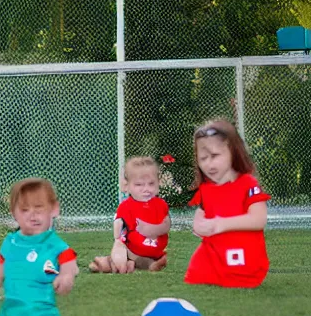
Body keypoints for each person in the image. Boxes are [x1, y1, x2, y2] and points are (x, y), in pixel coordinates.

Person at [0, 178, 101, 316]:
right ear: (13, 213)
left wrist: (65, 278)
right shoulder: (10, 243)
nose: (32, 214)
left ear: (54, 209)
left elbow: (70, 267)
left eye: (39, 208)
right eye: (24, 209)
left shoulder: (54, 245)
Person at [184, 119, 271, 288]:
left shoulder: (248, 184)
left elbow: (259, 219)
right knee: (196, 278)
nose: (208, 164)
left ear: (233, 151)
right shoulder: (206, 189)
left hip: (242, 256)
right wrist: (200, 227)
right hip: (212, 257)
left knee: (236, 281)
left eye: (215, 156)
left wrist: (220, 224)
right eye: (203, 158)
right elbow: (200, 218)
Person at [89, 156, 170, 274]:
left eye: (151, 184)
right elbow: (119, 235)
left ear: (158, 183)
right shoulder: (126, 207)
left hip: (151, 250)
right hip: (135, 250)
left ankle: (110, 263)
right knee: (126, 252)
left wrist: (151, 229)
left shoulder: (161, 205)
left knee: (125, 252)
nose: (146, 189)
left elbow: (166, 226)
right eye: (139, 185)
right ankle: (128, 264)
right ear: (126, 186)